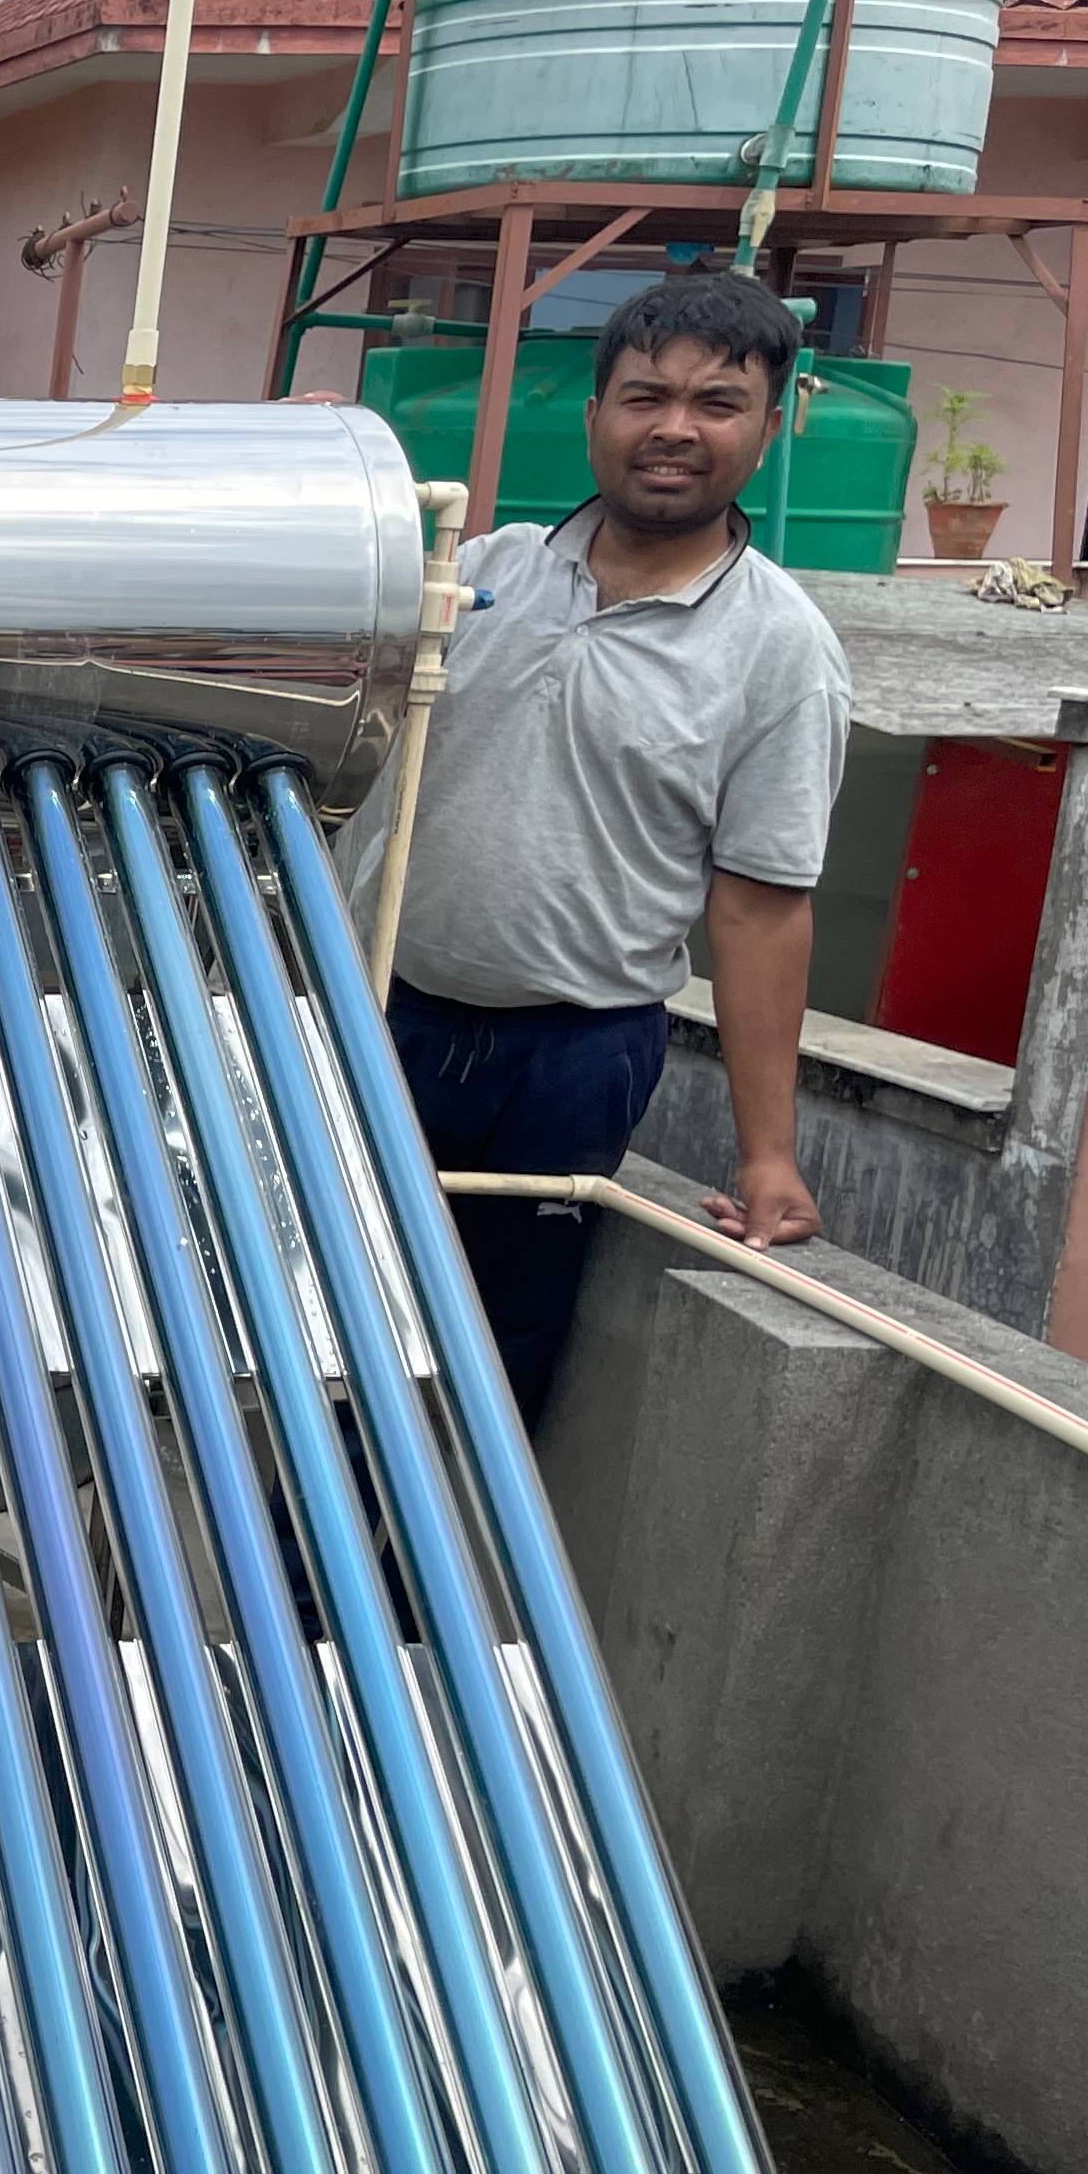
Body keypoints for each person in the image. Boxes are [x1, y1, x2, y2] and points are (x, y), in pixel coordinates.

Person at [339, 266, 848, 1423]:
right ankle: (296, 1574)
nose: (674, 428)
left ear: (769, 429)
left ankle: (432, 1591)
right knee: (339, 1316)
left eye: (717, 402)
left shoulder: (781, 649)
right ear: (594, 418)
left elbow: (761, 904)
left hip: (573, 1059)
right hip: (386, 1012)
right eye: (643, 395)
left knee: (492, 1355)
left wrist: (768, 1151)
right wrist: (321, 484)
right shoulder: (481, 575)